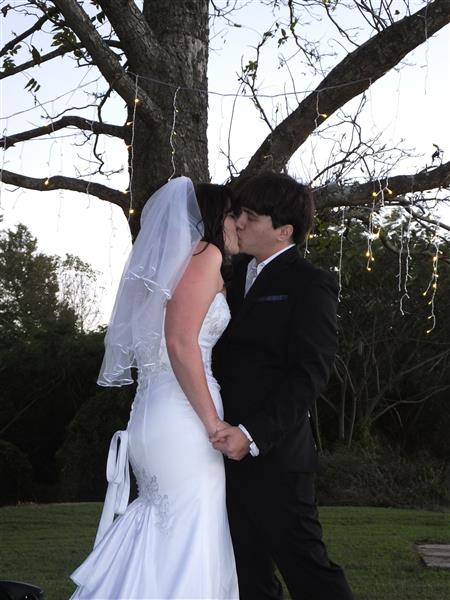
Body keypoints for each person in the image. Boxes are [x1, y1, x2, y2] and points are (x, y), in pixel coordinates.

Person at [70, 176, 239, 599]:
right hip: (186, 417)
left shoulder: (173, 265)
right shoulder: (206, 254)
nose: (240, 224)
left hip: (156, 411)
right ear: (214, 217)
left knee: (166, 528)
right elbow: (180, 342)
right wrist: (212, 422)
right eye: (233, 215)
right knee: (189, 530)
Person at [212, 173, 354, 600]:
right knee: (247, 578)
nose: (238, 222)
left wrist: (252, 434)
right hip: (217, 452)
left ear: (284, 231)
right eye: (238, 213)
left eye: (250, 216)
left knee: (309, 573)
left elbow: (309, 373)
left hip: (277, 458)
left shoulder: (310, 282)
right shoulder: (228, 272)